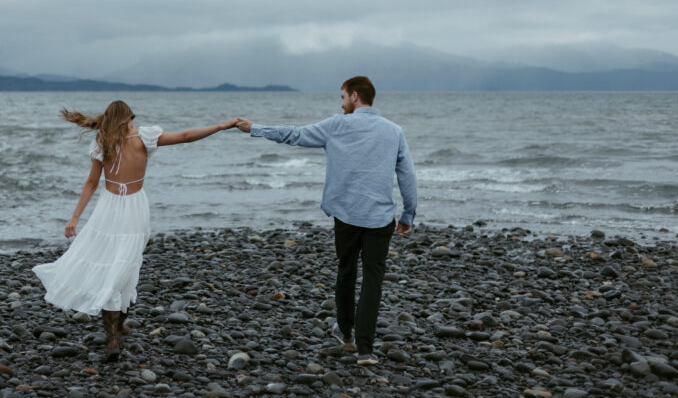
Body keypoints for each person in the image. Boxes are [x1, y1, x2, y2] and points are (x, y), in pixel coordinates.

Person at [33, 100, 238, 360]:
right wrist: (223, 125)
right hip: (135, 207)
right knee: (126, 266)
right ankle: (115, 333)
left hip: (108, 208)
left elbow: (91, 183)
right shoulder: (144, 137)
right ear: (129, 118)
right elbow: (186, 136)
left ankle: (114, 333)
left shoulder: (102, 142)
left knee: (110, 264)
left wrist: (74, 218)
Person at [236, 76, 417, 366]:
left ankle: (345, 333)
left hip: (346, 214)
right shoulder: (394, 131)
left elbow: (295, 135)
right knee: (373, 281)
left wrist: (254, 129)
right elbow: (407, 175)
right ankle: (366, 351)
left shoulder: (337, 125)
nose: (341, 102)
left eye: (343, 97)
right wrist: (408, 214)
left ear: (356, 96)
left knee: (346, 272)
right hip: (380, 216)